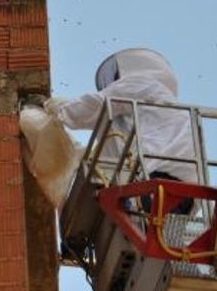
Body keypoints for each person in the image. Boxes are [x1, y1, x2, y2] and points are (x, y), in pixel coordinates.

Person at [45, 48, 197, 214]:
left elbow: (96, 106)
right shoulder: (170, 108)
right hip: (182, 200)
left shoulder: (141, 83)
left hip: (151, 185)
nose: (115, 82)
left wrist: (54, 108)